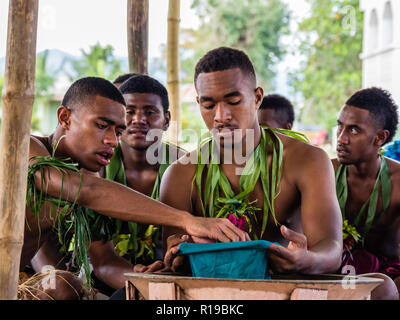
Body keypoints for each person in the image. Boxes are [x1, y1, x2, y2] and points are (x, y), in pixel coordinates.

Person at [24, 76, 249, 298]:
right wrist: (187, 221)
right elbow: (85, 190)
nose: (112, 140)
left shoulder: (87, 170)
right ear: (64, 117)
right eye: (102, 126)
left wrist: (144, 276)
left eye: (118, 131)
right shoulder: (27, 148)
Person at [160, 47, 343, 276]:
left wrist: (307, 260)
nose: (220, 116)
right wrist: (177, 255)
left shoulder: (307, 160)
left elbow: (331, 247)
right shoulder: (180, 174)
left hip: (288, 288)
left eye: (233, 101)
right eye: (208, 105)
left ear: (257, 98)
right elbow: (173, 252)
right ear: (198, 103)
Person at [88, 74, 186, 295]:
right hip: (107, 279)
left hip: (172, 278)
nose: (139, 119)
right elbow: (102, 262)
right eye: (129, 111)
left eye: (150, 112)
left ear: (167, 120)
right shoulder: (96, 169)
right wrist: (142, 279)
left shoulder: (186, 169)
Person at [333, 87, 400, 299]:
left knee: (385, 288)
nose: (341, 138)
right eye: (340, 126)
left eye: (353, 130)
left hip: (386, 276)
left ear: (380, 137)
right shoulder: (324, 172)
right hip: (329, 272)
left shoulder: (398, 182)